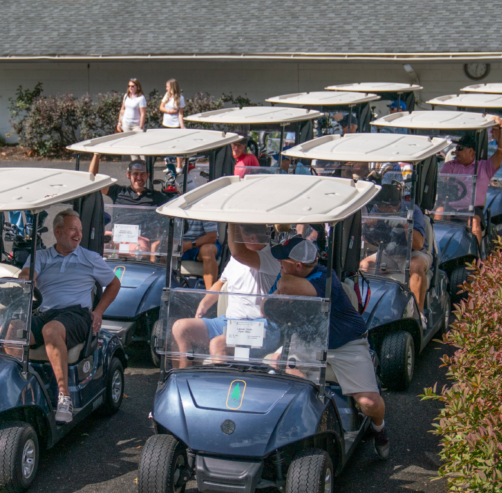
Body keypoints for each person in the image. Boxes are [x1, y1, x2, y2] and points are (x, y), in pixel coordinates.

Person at [269, 236, 390, 460]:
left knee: (369, 403)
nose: (279, 264)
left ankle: (379, 428)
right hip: (306, 343)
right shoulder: (289, 274)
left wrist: (282, 290)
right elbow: (266, 306)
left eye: (282, 260)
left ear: (297, 265)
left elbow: (284, 286)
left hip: (345, 345)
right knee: (272, 368)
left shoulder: (325, 278)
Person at [16, 209, 121, 424]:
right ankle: (19, 388)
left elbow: (114, 284)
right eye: (73, 229)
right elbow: (27, 274)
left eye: (80, 230)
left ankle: (64, 397)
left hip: (76, 315)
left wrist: (98, 310)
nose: (78, 234)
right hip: (45, 312)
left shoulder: (90, 258)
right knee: (12, 329)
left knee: (51, 331)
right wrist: (28, 278)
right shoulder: (41, 256)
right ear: (58, 231)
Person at [171, 224, 282, 367]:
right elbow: (221, 282)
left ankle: (221, 388)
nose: (234, 240)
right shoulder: (236, 259)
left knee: (219, 343)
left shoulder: (271, 257)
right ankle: (183, 381)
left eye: (237, 235)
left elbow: (238, 253)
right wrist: (204, 304)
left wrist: (231, 222)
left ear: (252, 238)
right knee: (180, 327)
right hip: (228, 323)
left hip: (260, 327)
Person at [359, 183, 431, 329]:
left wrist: (405, 225)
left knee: (415, 266)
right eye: (378, 206)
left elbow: (418, 244)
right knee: (364, 266)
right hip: (390, 251)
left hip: (413, 253)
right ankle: (366, 311)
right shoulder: (376, 209)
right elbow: (370, 240)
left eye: (383, 207)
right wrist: (369, 226)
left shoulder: (412, 209)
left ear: (391, 206)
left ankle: (419, 315)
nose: (380, 209)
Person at [438, 133, 494, 239]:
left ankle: (476, 253)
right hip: (452, 205)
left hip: (472, 208)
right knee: (438, 213)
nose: (456, 151)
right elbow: (442, 180)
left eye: (460, 148)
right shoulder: (450, 165)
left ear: (470, 151)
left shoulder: (482, 167)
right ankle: (439, 248)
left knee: (474, 222)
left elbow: (500, 153)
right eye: (456, 148)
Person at [88, 156, 168, 207]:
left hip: (144, 234)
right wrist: (96, 155)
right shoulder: (118, 192)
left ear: (147, 176)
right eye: (135, 174)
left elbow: (175, 203)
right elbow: (93, 181)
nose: (139, 178)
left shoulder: (155, 196)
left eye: (142, 174)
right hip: (120, 233)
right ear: (128, 175)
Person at [159, 79, 186, 184]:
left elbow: (180, 113)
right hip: (166, 124)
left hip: (175, 125)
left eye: (168, 87)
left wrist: (182, 125)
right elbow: (161, 107)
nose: (166, 89)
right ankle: (169, 166)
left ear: (172, 87)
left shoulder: (180, 98)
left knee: (177, 146)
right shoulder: (166, 96)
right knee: (166, 146)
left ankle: (179, 167)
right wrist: (169, 111)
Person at [182, 217, 219, 289]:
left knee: (207, 250)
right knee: (156, 246)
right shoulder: (174, 208)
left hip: (203, 244)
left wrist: (188, 245)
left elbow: (212, 237)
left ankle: (210, 295)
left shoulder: (205, 208)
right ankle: (159, 291)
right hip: (181, 243)